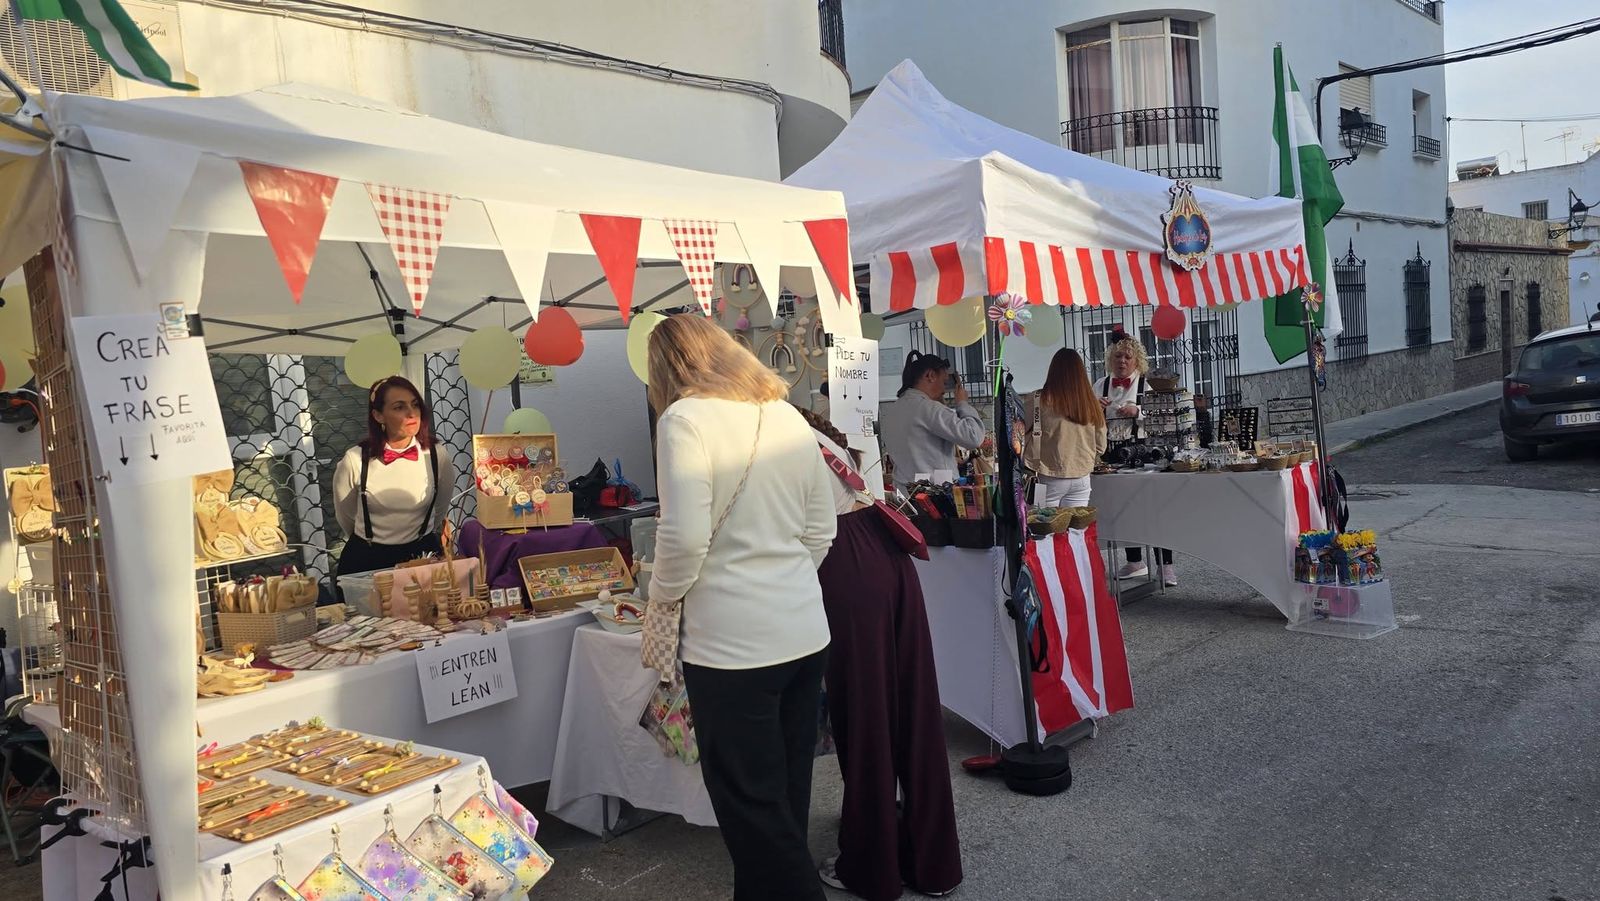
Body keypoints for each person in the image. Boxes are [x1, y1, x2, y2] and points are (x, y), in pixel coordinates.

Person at [647, 315, 838, 901]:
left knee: (753, 811)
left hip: (731, 647)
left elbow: (682, 540)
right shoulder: (784, 413)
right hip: (803, 631)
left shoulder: (684, 419)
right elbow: (821, 529)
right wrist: (780, 582)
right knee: (783, 797)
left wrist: (661, 600)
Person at [795, 406, 963, 901]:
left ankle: (871, 866)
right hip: (885, 555)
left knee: (865, 719)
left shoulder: (780, 446)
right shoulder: (826, 445)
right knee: (912, 712)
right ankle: (932, 864)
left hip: (842, 564)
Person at [332, 375, 453, 575]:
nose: (411, 413)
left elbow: (440, 506)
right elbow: (345, 515)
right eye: (399, 407)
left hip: (421, 555)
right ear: (379, 416)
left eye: (415, 405)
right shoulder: (355, 459)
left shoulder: (435, 454)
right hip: (368, 559)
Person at [1094, 336, 1177, 587]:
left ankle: (1166, 566)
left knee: (1153, 509)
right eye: (1118, 356)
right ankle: (1135, 562)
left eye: (1127, 357)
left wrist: (1138, 412)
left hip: (1142, 452)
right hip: (1111, 453)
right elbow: (1086, 417)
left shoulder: (1146, 385)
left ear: (1137, 361)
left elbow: (1163, 415)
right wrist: (1095, 409)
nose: (1122, 361)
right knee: (1122, 508)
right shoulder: (1100, 384)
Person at [880, 351, 985, 493]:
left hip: (905, 493)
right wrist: (962, 404)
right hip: (936, 495)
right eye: (944, 382)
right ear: (930, 376)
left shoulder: (892, 411)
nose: (944, 389)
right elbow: (973, 437)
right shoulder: (928, 408)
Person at [1023, 349, 1107, 508]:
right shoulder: (1091, 403)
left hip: (1044, 476)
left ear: (1053, 371)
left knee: (1042, 527)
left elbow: (1020, 431)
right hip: (1081, 477)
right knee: (1077, 529)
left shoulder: (1037, 400)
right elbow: (1101, 446)